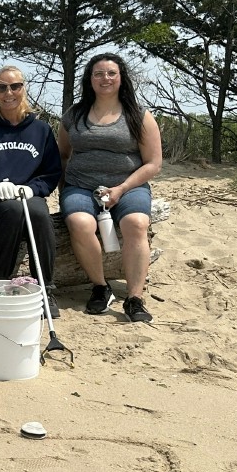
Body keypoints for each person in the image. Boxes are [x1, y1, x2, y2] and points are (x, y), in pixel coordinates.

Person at [58, 52, 162, 323]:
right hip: (80, 187)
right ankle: (100, 287)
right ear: (89, 79)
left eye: (111, 73)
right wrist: (64, 188)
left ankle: (135, 298)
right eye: (98, 73)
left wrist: (122, 188)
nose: (105, 78)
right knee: (80, 223)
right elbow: (63, 155)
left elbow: (153, 163)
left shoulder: (138, 116)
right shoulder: (74, 115)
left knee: (136, 224)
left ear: (121, 78)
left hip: (129, 186)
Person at [0, 64, 63, 314]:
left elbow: (51, 173)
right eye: (2, 87)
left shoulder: (41, 130)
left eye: (15, 86)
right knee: (14, 210)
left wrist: (33, 188)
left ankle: (45, 288)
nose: (9, 93)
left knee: (38, 213)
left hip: (27, 196)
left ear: (23, 89)